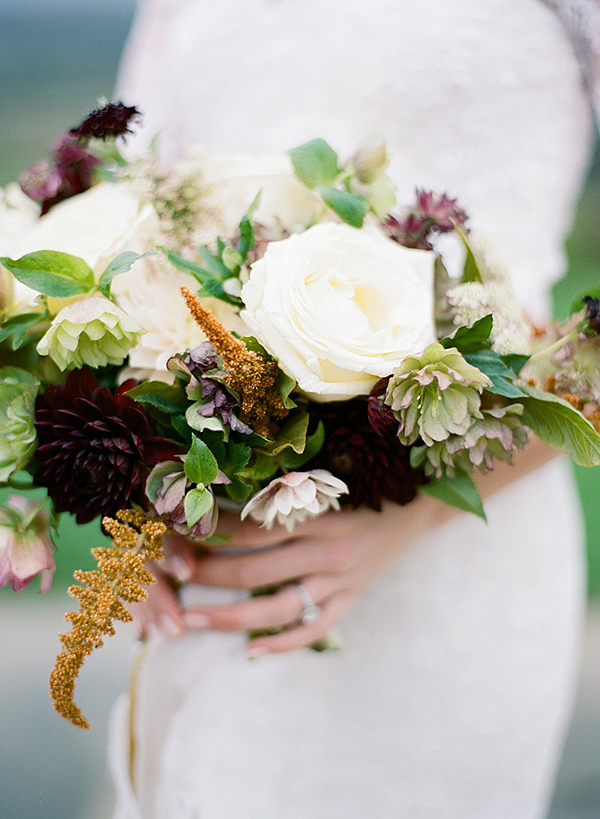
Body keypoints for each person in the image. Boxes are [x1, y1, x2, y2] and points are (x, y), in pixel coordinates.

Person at [109, 1, 599, 817]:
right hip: (214, 551)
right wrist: (141, 468)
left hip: (455, 556)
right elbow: (140, 221)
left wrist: (408, 515)